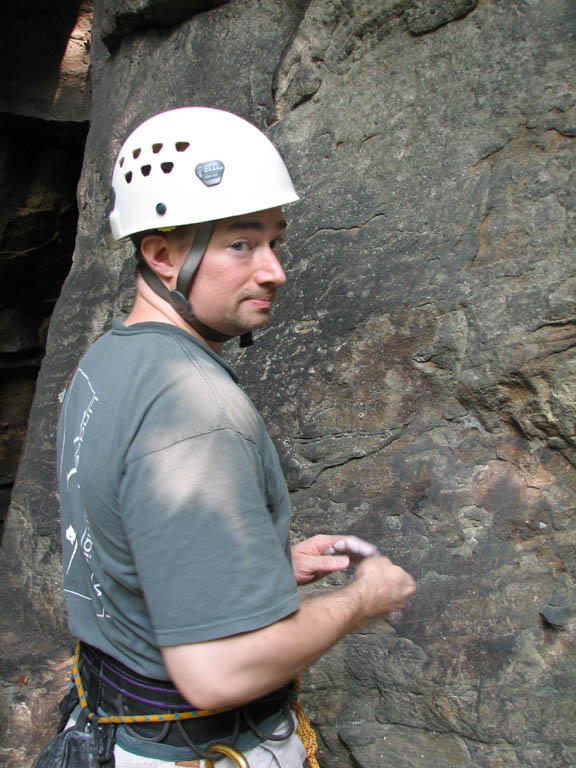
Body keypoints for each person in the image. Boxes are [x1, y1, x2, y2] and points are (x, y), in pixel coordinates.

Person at [48, 107, 415, 768]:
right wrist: (362, 600)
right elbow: (218, 673)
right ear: (162, 255)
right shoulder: (196, 411)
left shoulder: (108, 363)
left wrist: (257, 563)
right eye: (242, 244)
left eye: (276, 241)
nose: (274, 270)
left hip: (110, 731)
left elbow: (131, 543)